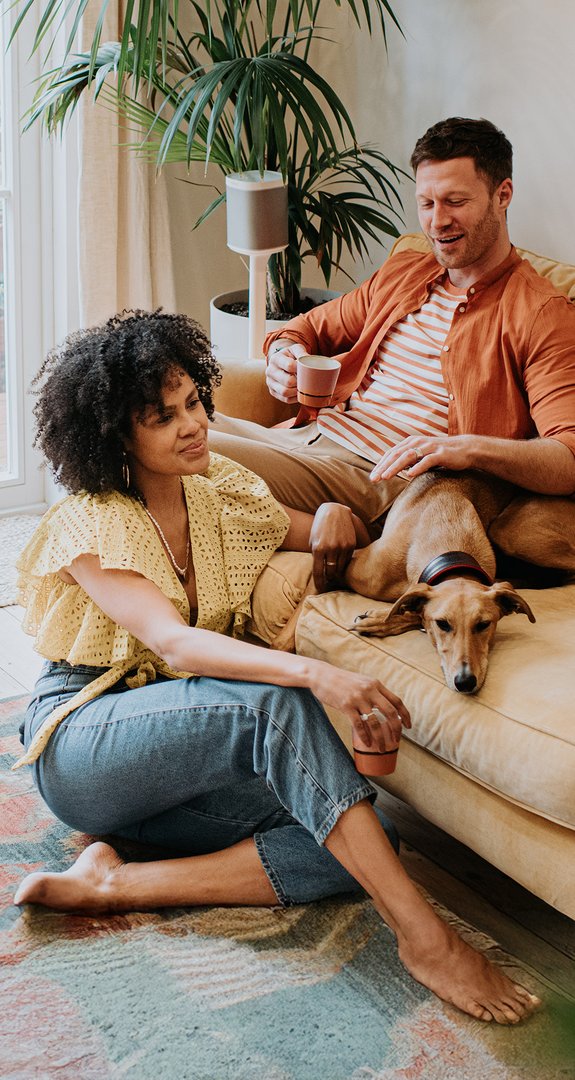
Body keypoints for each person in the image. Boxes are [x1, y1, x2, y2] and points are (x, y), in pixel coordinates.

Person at [12, 310, 539, 1025]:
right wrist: (318, 675)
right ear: (116, 436)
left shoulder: (220, 492)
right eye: (163, 417)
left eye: (193, 402)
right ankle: (426, 940)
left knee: (358, 843)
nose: (193, 425)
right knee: (275, 703)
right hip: (85, 743)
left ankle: (116, 884)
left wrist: (330, 515)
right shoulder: (92, 519)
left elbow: (320, 536)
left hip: (177, 769)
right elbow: (175, 644)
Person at [209, 116, 575, 561]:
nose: (437, 221)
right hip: (309, 437)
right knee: (161, 421)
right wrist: (285, 356)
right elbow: (304, 328)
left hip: (383, 479)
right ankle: (315, 528)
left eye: (455, 201)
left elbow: (567, 458)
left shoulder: (541, 313)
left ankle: (349, 531)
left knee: (184, 449)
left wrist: (466, 449)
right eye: (426, 203)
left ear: (503, 195)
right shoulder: (406, 271)